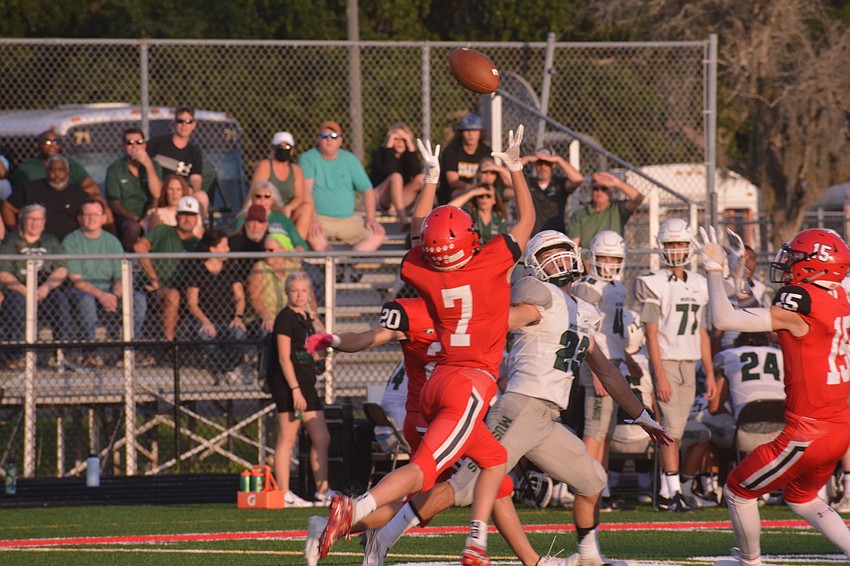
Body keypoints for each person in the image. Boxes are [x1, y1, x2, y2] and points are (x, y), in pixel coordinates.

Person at [357, 231, 671, 566]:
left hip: (547, 418)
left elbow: (607, 373)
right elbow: (504, 316)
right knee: (462, 488)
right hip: (520, 408)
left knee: (592, 480)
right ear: (535, 265)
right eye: (548, 254)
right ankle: (383, 533)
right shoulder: (538, 293)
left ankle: (590, 556)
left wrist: (642, 415)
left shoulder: (585, 311)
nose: (559, 260)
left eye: (563, 251)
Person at [318, 125, 535, 565]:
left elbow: (420, 233)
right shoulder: (489, 263)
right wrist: (514, 167)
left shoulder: (422, 273)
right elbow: (527, 220)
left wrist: (432, 179)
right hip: (469, 383)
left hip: (438, 382)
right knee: (422, 472)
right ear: (468, 241)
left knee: (494, 460)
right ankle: (356, 508)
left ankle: (476, 542)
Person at [697, 226, 850, 565]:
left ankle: (750, 561)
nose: (788, 262)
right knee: (801, 497)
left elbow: (724, 317)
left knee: (738, 489)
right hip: (839, 426)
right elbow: (760, 315)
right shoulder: (837, 296)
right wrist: (737, 273)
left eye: (796, 257)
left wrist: (712, 268)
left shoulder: (803, 301)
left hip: (808, 431)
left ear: (817, 265)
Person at [634, 217, 716, 512]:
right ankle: (670, 494)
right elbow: (651, 335)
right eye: (671, 244)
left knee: (677, 432)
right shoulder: (654, 282)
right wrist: (660, 376)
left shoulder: (698, 283)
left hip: (690, 363)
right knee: (669, 430)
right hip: (666, 362)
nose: (676, 249)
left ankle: (673, 491)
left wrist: (708, 372)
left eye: (681, 243)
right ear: (662, 247)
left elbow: (703, 333)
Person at [571, 230, 629, 511]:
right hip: (597, 363)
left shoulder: (617, 286)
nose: (608, 263)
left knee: (605, 432)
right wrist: (595, 370)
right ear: (593, 259)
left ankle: (601, 489)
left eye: (613, 258)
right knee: (594, 430)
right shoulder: (588, 286)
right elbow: (585, 330)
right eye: (603, 258)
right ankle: (587, 489)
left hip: (613, 361)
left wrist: (627, 358)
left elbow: (612, 333)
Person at [267, 271, 332, 508]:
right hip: (289, 386)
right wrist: (294, 389)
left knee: (322, 437)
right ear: (287, 292)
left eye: (304, 291)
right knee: (288, 437)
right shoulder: (285, 318)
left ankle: (323, 491)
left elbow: (323, 344)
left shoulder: (306, 317)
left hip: (307, 383)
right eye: (295, 290)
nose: (299, 295)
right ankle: (283, 492)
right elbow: (284, 358)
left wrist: (315, 320)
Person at [63, 199, 148, 367]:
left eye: (96, 215)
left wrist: (113, 296)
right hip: (82, 292)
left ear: (103, 218)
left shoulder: (112, 242)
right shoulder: (71, 241)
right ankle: (90, 353)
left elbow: (120, 276)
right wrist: (102, 296)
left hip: (109, 291)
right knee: (86, 301)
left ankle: (130, 351)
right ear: (80, 218)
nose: (92, 218)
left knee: (138, 299)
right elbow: (76, 280)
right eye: (87, 215)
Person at [0, 204, 72, 369]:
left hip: (44, 290)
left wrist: (46, 287)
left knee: (60, 301)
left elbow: (61, 268)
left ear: (44, 222)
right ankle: (16, 356)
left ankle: (62, 354)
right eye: (30, 219)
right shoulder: (11, 241)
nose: (34, 223)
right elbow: (3, 272)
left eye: (38, 219)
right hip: (18, 289)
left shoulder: (50, 240)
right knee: (15, 306)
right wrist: (23, 290)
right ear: (22, 220)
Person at [298, 121, 385, 251]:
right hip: (321, 219)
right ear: (318, 139)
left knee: (378, 235)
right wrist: (314, 220)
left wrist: (371, 219)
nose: (329, 140)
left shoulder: (349, 159)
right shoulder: (308, 158)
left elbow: (367, 190)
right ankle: (336, 269)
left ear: (340, 140)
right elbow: (306, 191)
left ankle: (346, 266)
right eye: (324, 136)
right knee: (313, 236)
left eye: (333, 136)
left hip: (349, 220)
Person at [9, 131, 112, 230]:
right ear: (39, 145)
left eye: (56, 142)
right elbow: (17, 197)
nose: (52, 145)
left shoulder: (71, 164)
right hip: (39, 206)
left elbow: (92, 188)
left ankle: (113, 241)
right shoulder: (27, 168)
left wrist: (68, 193)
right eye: (47, 141)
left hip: (70, 204)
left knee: (99, 202)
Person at [133, 195, 202, 343]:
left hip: (187, 292)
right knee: (173, 295)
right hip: (156, 290)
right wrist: (154, 278)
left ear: (197, 219)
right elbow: (139, 247)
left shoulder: (199, 244)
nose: (187, 219)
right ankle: (169, 344)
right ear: (177, 216)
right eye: (183, 215)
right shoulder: (163, 231)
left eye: (191, 216)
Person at [184, 229, 249, 384]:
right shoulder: (197, 270)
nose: (228, 250)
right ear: (213, 249)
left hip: (228, 321)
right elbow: (192, 303)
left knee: (239, 334)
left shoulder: (230, 268)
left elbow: (240, 297)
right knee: (205, 337)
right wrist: (205, 321)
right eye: (224, 246)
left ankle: (226, 370)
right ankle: (228, 371)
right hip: (205, 322)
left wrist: (238, 317)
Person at [2, 155, 93, 241]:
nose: (56, 174)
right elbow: (7, 207)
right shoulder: (31, 189)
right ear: (46, 172)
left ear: (67, 172)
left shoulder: (79, 195)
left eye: (60, 170)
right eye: (52, 170)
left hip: (69, 245)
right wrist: (15, 232)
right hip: (36, 244)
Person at [146, 105, 210, 219]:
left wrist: (191, 190)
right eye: (180, 121)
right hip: (160, 192)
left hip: (182, 193)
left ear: (194, 125)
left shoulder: (194, 152)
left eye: (188, 121)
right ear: (174, 124)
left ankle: (198, 232)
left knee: (201, 197)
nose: (184, 125)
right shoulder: (157, 144)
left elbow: (196, 179)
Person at [250, 131, 316, 241]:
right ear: (273, 149)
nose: (283, 149)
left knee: (307, 208)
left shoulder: (296, 170)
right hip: (268, 207)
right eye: (280, 146)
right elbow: (256, 191)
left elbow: (300, 196)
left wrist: (288, 208)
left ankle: (295, 246)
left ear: (292, 151)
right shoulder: (265, 165)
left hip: (288, 211)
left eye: (287, 147)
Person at [105, 127, 163, 251]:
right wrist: (136, 219)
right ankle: (127, 261)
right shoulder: (115, 169)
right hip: (125, 218)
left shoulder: (153, 166)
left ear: (145, 146)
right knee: (133, 228)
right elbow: (114, 204)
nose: (135, 146)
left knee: (156, 222)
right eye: (129, 143)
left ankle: (153, 261)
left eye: (139, 142)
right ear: (123, 147)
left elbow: (157, 194)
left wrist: (148, 165)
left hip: (149, 214)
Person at [246, 233, 307, 335]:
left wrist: (313, 315)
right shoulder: (260, 267)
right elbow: (254, 297)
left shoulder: (295, 267)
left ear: (283, 250)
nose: (266, 253)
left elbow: (309, 295)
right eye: (264, 250)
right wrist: (266, 317)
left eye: (270, 250)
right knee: (267, 330)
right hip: (264, 317)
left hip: (291, 316)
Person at [370, 122, 424, 227]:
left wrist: (411, 148)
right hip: (381, 198)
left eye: (403, 139)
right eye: (396, 139)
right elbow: (389, 171)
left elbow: (416, 173)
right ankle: (404, 221)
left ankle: (427, 218)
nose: (400, 143)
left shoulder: (408, 156)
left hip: (399, 200)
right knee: (396, 177)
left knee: (422, 178)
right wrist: (389, 148)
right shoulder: (379, 154)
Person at [567, 172, 643, 246]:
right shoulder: (580, 214)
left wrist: (616, 183)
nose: (599, 191)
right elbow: (574, 245)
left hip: (614, 256)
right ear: (591, 190)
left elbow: (638, 198)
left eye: (604, 188)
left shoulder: (617, 209)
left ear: (611, 191)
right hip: (588, 257)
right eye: (595, 188)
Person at [521, 147, 584, 235]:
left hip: (556, 235)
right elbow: (507, 177)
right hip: (532, 236)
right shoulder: (528, 183)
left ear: (553, 165)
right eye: (539, 163)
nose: (543, 167)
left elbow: (578, 179)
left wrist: (559, 159)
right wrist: (526, 159)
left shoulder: (559, 184)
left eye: (547, 163)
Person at [234, 181, 309, 251]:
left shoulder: (282, 219)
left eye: (267, 196)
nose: (262, 200)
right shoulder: (243, 219)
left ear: (272, 200)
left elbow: (299, 242)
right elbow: (237, 242)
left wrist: (296, 254)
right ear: (252, 198)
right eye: (258, 196)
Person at [438, 113, 492, 204]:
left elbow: (491, 176)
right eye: (467, 130)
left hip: (480, 189)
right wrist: (474, 189)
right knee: (460, 193)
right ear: (461, 133)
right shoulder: (452, 150)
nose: (471, 134)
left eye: (474, 130)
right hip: (453, 192)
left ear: (480, 132)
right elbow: (453, 182)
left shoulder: (486, 150)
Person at [144, 174, 205, 239]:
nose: (174, 193)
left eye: (178, 189)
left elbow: (199, 237)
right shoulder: (156, 213)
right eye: (170, 189)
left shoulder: (194, 214)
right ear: (165, 191)